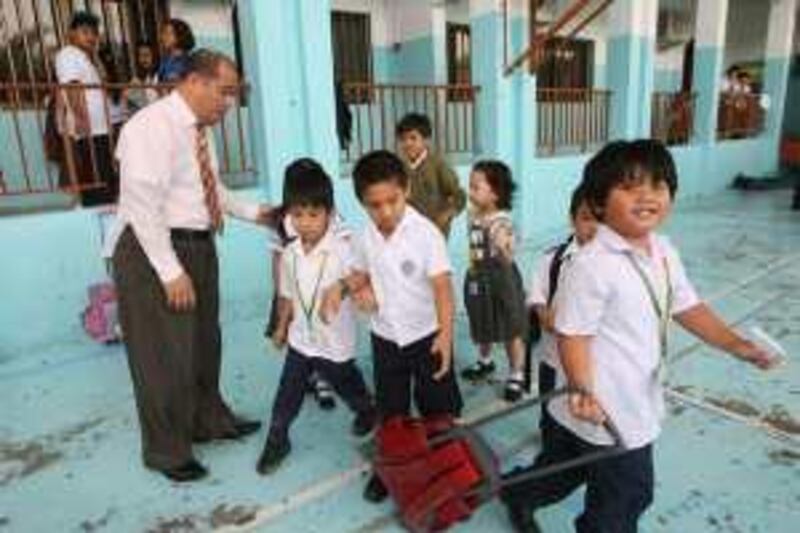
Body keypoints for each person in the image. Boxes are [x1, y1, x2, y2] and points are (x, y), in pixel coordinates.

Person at [502, 140, 780, 533]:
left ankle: (518, 492)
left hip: (627, 399)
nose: (648, 195)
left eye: (659, 185)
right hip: (606, 410)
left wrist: (735, 344)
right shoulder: (592, 265)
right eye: (630, 187)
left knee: (565, 471)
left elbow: (687, 306)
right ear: (598, 203)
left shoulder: (664, 251)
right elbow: (572, 335)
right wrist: (583, 389)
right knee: (627, 496)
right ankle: (526, 495)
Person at [112, 49, 273, 482]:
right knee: (163, 356)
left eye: (233, 95)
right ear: (194, 81)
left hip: (198, 247)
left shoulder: (199, 131)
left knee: (204, 344)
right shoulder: (151, 126)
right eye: (224, 92)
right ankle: (166, 451)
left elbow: (211, 189)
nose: (228, 103)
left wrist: (260, 214)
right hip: (155, 252)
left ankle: (208, 421)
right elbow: (141, 204)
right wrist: (169, 270)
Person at [321, 150, 463, 503]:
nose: (385, 212)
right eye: (374, 205)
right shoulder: (364, 237)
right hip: (386, 338)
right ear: (363, 204)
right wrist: (342, 289)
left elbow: (443, 287)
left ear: (407, 190)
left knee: (438, 408)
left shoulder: (426, 233)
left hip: (428, 337)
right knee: (392, 411)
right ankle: (391, 471)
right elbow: (360, 272)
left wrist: (446, 335)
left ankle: (448, 466)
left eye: (392, 201)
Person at [256, 158, 376, 474]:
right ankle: (277, 438)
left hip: (334, 343)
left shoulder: (342, 249)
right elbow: (285, 295)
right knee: (287, 395)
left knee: (348, 385)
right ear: (288, 216)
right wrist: (281, 327)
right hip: (300, 340)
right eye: (297, 214)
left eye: (314, 214)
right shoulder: (290, 253)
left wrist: (350, 290)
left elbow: (361, 277)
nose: (305, 222)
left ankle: (366, 409)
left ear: (330, 213)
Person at [459, 160, 528, 402]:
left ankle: (517, 374)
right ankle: (486, 361)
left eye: (476, 187)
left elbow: (509, 258)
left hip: (502, 280)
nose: (471, 191)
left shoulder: (502, 222)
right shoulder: (473, 214)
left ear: (495, 193)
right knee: (482, 321)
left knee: (511, 327)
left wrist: (503, 248)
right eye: (470, 185)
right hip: (478, 275)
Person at [54, 12, 118, 206]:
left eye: (94, 33)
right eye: (85, 32)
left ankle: (106, 214)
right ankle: (98, 216)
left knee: (104, 179)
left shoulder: (86, 57)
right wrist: (82, 119)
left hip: (100, 130)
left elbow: (104, 83)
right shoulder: (67, 54)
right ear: (71, 34)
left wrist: (97, 57)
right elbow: (72, 86)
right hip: (90, 131)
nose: (91, 37)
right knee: (95, 182)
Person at [395, 113, 466, 237]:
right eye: (403, 139)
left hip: (436, 231)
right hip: (411, 231)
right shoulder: (399, 168)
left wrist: (447, 214)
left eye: (413, 138)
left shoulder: (438, 165)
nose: (408, 143)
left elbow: (459, 194)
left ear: (426, 140)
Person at [156, 18, 195, 84]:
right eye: (163, 34)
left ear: (179, 36)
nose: (163, 37)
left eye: (167, 34)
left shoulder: (187, 61)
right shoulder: (165, 60)